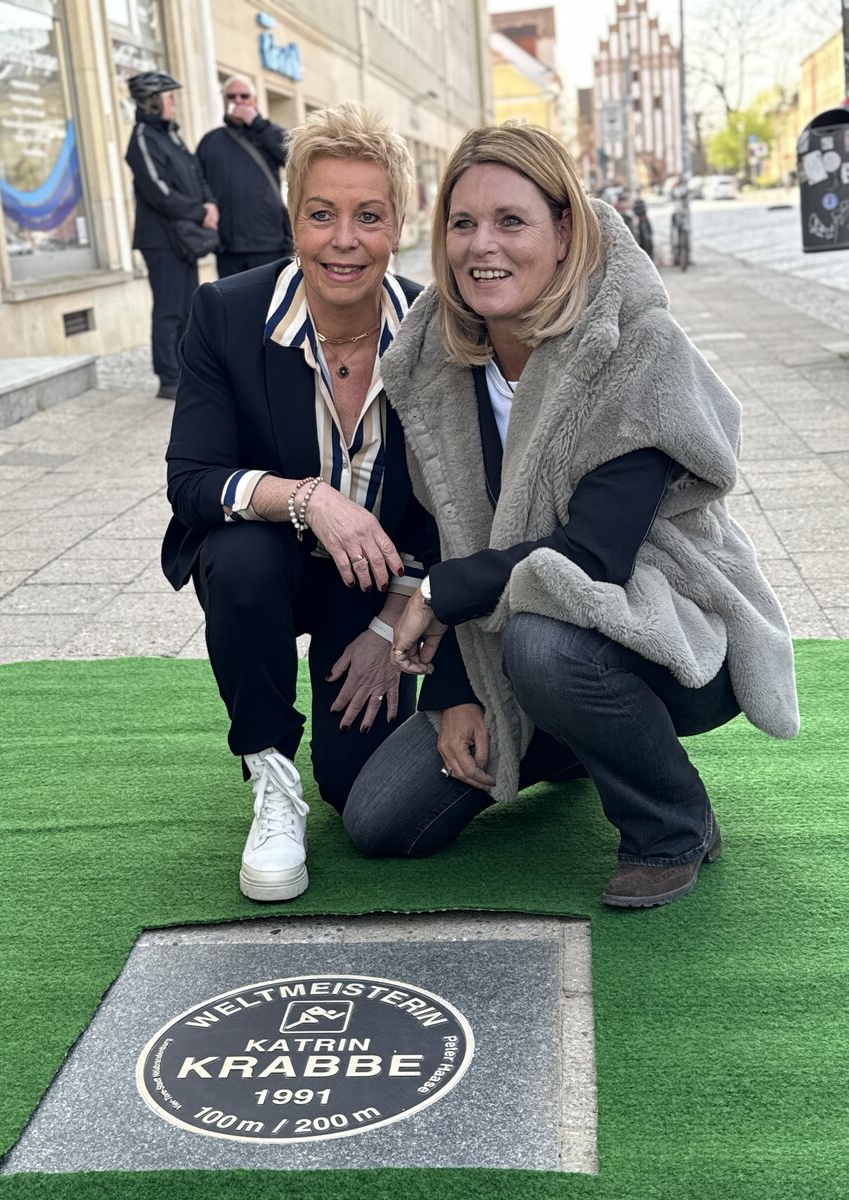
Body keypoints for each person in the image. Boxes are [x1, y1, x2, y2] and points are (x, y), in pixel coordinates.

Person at [342, 122, 800, 909]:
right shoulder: (440, 365)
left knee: (546, 643)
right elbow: (454, 533)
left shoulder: (632, 349)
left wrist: (435, 597)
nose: (482, 246)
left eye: (511, 221)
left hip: (671, 632)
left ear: (563, 231)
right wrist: (456, 690)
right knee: (383, 821)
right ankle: (588, 738)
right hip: (509, 637)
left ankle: (670, 821)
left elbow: (591, 557)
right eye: (462, 222)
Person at [162, 102, 429, 903]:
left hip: (374, 585)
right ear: (293, 219)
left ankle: (560, 748)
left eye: (368, 216)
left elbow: (464, 504)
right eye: (322, 214)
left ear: (398, 225)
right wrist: (310, 500)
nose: (344, 240)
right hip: (267, 562)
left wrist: (394, 621)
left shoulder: (437, 333)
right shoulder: (227, 314)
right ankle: (271, 776)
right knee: (239, 554)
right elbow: (192, 480)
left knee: (358, 793)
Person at [125, 71, 218, 399]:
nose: (175, 103)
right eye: (169, 97)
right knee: (168, 309)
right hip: (160, 240)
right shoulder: (142, 137)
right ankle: (168, 378)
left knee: (187, 307)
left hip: (183, 237)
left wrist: (208, 202)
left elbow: (196, 173)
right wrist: (199, 212)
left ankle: (185, 370)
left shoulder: (172, 136)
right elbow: (157, 190)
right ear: (153, 101)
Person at [196, 75, 293, 279]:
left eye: (244, 96)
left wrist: (258, 123)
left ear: (254, 101)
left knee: (269, 305)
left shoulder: (267, 134)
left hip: (268, 243)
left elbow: (294, 155)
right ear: (224, 101)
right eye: (232, 96)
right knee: (233, 307)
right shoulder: (211, 141)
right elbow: (197, 182)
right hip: (228, 247)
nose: (238, 101)